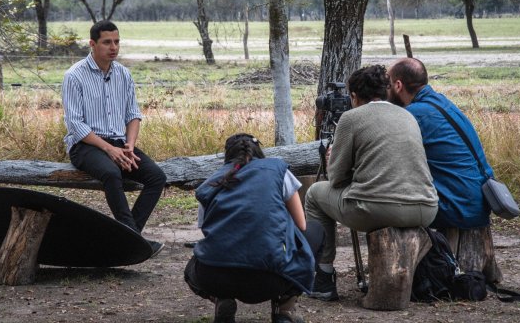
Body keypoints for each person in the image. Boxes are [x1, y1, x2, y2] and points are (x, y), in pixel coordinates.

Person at [304, 65, 439, 301]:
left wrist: (331, 159)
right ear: (386, 91)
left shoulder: (351, 117)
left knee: (315, 193)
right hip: (425, 208)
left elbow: (335, 179)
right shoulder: (408, 115)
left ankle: (323, 277)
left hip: (376, 209)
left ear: (354, 96)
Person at [184, 133, 325, 323]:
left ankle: (221, 298)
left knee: (192, 266)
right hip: (269, 279)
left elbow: (209, 232)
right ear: (259, 152)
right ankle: (284, 308)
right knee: (315, 231)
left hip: (216, 277)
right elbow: (301, 224)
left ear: (227, 157)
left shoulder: (212, 182)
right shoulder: (278, 170)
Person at [62, 20, 166, 257]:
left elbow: (133, 115)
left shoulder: (123, 74)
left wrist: (129, 145)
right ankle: (133, 240)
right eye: (107, 42)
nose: (113, 47)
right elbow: (75, 124)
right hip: (86, 144)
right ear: (92, 44)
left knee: (156, 177)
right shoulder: (74, 76)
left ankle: (127, 237)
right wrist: (110, 150)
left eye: (117, 41)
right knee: (111, 173)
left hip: (119, 143)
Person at [387, 57, 494, 230]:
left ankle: (412, 256)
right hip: (478, 203)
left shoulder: (414, 115)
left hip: (457, 209)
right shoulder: (441, 102)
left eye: (388, 84)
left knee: (383, 206)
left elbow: (388, 158)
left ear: (398, 85)